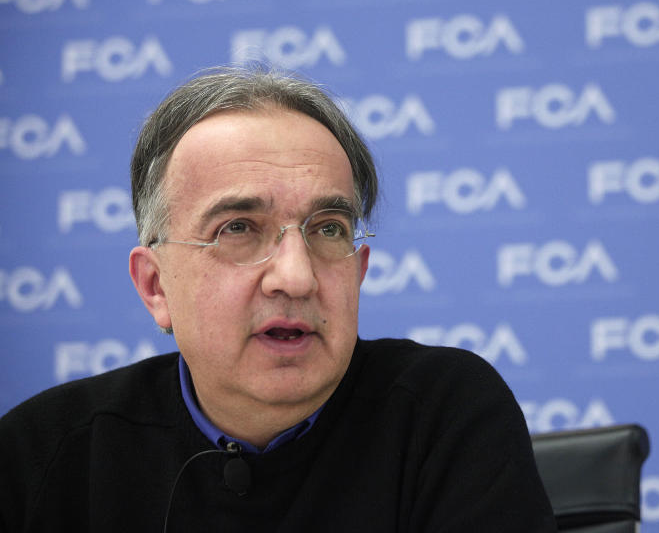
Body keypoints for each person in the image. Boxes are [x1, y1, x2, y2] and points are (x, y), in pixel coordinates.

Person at [0, 66, 556, 532]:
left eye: (329, 229)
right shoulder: (45, 454)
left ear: (358, 273)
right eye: (238, 228)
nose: (296, 277)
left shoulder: (443, 416)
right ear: (156, 286)